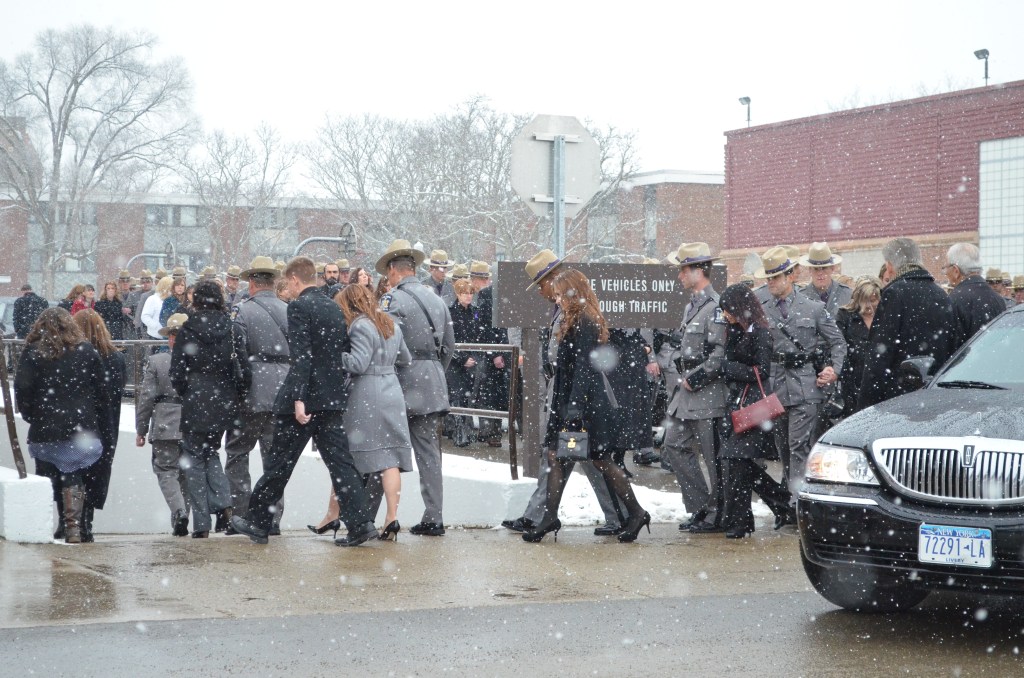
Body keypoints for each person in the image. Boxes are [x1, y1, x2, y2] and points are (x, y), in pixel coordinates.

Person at [229, 256, 379, 547]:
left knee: (280, 462)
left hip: (304, 400)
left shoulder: (299, 307)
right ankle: (361, 523)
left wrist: (299, 398)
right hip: (330, 398)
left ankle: (258, 522)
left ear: (295, 280)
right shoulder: (334, 307)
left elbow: (302, 356)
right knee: (341, 464)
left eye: (290, 283)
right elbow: (338, 353)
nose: (290, 289)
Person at [501, 250, 628, 536]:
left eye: (542, 285)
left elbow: (582, 365)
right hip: (564, 391)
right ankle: (542, 515)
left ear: (551, 280)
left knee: (587, 459)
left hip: (576, 394)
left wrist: (573, 405)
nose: (544, 293)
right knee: (565, 457)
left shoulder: (577, 312)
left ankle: (622, 514)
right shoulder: (563, 309)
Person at [523, 269, 650, 544]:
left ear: (572, 291)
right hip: (571, 400)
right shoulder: (575, 318)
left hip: (585, 404)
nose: (556, 300)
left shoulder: (585, 321)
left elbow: (584, 370)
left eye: (559, 295)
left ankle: (637, 512)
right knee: (558, 456)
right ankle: (549, 516)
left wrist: (574, 409)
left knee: (598, 459)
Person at [756, 246, 846, 508]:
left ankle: (799, 502)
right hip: (776, 385)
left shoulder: (813, 308)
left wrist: (834, 370)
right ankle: (792, 494)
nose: (771, 283)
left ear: (790, 276)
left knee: (798, 445)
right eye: (768, 278)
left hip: (806, 385)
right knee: (782, 446)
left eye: (775, 277)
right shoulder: (761, 309)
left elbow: (838, 343)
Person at [378, 240, 456, 536]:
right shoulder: (436, 298)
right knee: (429, 454)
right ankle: (434, 516)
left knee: (385, 451)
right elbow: (448, 347)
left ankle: (372, 518)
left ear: (393, 272)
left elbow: (388, 343)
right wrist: (432, 371)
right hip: (433, 379)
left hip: (401, 381)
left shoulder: (392, 300)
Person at [14, 308, 108, 544]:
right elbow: (100, 389)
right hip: (80, 426)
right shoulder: (86, 351)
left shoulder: (33, 352)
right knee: (73, 471)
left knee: (47, 475)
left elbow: (22, 388)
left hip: (46, 425)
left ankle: (54, 525)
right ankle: (73, 526)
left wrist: (30, 414)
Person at [705, 284, 792, 538]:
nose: (726, 316)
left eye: (728, 311)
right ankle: (774, 507)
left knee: (737, 460)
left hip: (754, 406)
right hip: (739, 403)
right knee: (738, 463)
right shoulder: (736, 331)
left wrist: (727, 368)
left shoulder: (761, 332)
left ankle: (749, 518)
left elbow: (762, 370)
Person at [170, 280, 250, 538]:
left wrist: (188, 391)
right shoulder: (232, 328)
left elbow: (177, 372)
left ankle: (201, 523)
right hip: (224, 400)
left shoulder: (188, 329)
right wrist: (235, 394)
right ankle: (225, 506)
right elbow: (245, 372)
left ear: (196, 301)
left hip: (196, 399)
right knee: (212, 452)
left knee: (193, 457)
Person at [657, 243, 728, 533]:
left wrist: (697, 377)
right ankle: (701, 507)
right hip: (685, 394)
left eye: (683, 270)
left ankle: (718, 514)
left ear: (699, 270)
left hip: (708, 394)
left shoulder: (717, 307)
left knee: (713, 458)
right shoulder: (691, 306)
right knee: (673, 445)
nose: (680, 276)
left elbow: (720, 353)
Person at [337, 283, 413, 541]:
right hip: (392, 389)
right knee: (389, 459)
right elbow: (405, 359)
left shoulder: (360, 325)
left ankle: (355, 520)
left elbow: (357, 364)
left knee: (358, 457)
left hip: (367, 392)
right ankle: (391, 518)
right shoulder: (390, 323)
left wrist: (337, 356)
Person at [223, 257, 290, 534]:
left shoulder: (242, 311)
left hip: (252, 389)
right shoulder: (289, 310)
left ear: (251, 282)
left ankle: (244, 514)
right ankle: (271, 517)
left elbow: (235, 353)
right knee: (275, 458)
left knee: (238, 452)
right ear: (274, 283)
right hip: (284, 388)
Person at [859, 238, 957, 409]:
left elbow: (879, 354)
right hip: (935, 395)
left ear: (889, 266)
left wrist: (865, 404)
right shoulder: (940, 295)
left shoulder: (894, 294)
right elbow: (953, 346)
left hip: (898, 399)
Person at [72, 309, 126, 542]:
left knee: (73, 472)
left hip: (78, 424)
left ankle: (71, 521)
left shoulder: (73, 357)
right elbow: (116, 393)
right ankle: (86, 522)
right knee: (96, 474)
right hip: (106, 424)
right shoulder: (115, 358)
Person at [136, 312, 191, 537]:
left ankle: (179, 513)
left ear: (169, 338)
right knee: (186, 474)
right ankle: (182, 515)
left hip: (165, 425)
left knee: (166, 471)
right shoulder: (201, 361)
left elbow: (146, 398)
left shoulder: (157, 361)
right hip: (192, 423)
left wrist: (141, 429)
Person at [469, 261, 509, 448]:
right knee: (490, 393)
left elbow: (489, 326)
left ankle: (494, 432)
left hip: (502, 351)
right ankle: (491, 432)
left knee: (497, 394)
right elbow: (485, 326)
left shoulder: (492, 294)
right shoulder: (487, 294)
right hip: (494, 352)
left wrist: (496, 352)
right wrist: (494, 352)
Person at [834, 278, 882, 419]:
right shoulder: (845, 316)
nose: (869, 306)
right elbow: (838, 345)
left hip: (879, 379)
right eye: (865, 300)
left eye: (873, 301)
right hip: (853, 380)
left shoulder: (885, 317)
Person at [945, 243, 1006, 348]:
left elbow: (951, 346)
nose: (945, 273)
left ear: (956, 270)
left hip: (966, 363)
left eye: (946, 268)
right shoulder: (998, 299)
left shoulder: (954, 300)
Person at [446, 278, 480, 447]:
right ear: (458, 294)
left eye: (470, 293)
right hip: (455, 360)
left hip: (472, 357)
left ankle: (466, 428)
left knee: (469, 395)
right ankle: (458, 430)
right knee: (457, 395)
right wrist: (461, 358)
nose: (468, 296)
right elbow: (449, 340)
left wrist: (473, 356)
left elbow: (477, 334)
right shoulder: (450, 312)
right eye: (465, 293)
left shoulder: (474, 311)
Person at [799, 243, 851, 315]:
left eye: (824, 268)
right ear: (810, 270)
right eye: (816, 269)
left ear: (832, 268)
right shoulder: (800, 298)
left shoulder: (847, 294)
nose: (820, 273)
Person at [142, 276, 174, 340]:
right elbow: (145, 316)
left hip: (171, 336)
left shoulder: (173, 300)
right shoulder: (152, 299)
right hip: (155, 335)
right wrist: (157, 326)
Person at [132, 271, 155, 338]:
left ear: (152, 283)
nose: (145, 284)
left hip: (151, 326)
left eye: (148, 282)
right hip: (138, 328)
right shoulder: (134, 295)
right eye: (143, 282)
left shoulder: (155, 295)